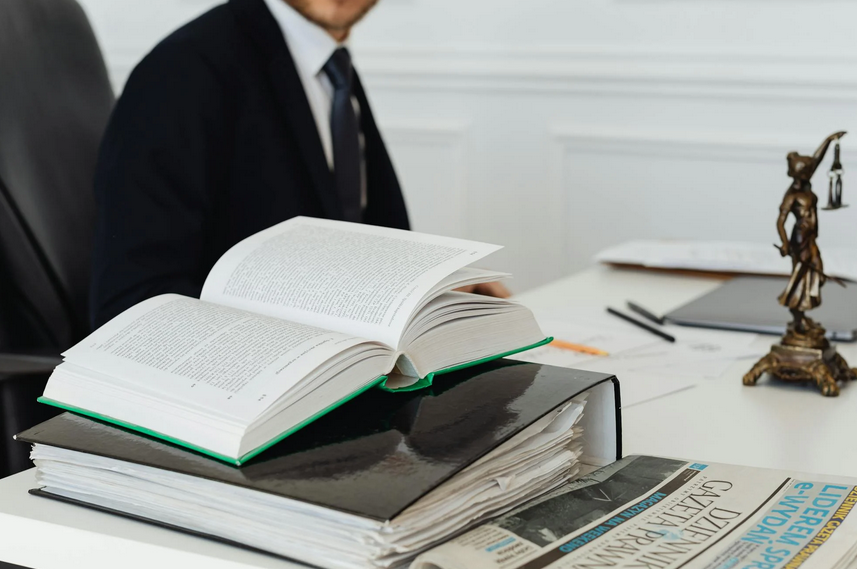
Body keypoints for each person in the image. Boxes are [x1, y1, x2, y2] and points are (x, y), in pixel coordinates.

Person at [89, 0, 506, 329]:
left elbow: (354, 245)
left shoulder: (332, 69)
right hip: (230, 396)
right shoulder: (184, 70)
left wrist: (428, 291)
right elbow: (133, 301)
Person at [775, 131, 845, 332]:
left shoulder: (804, 183)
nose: (811, 172)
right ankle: (798, 318)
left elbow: (817, 159)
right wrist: (785, 243)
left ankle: (801, 316)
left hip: (811, 238)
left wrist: (829, 140)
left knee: (818, 275)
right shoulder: (792, 195)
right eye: (807, 171)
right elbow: (780, 221)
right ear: (799, 174)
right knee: (801, 278)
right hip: (800, 240)